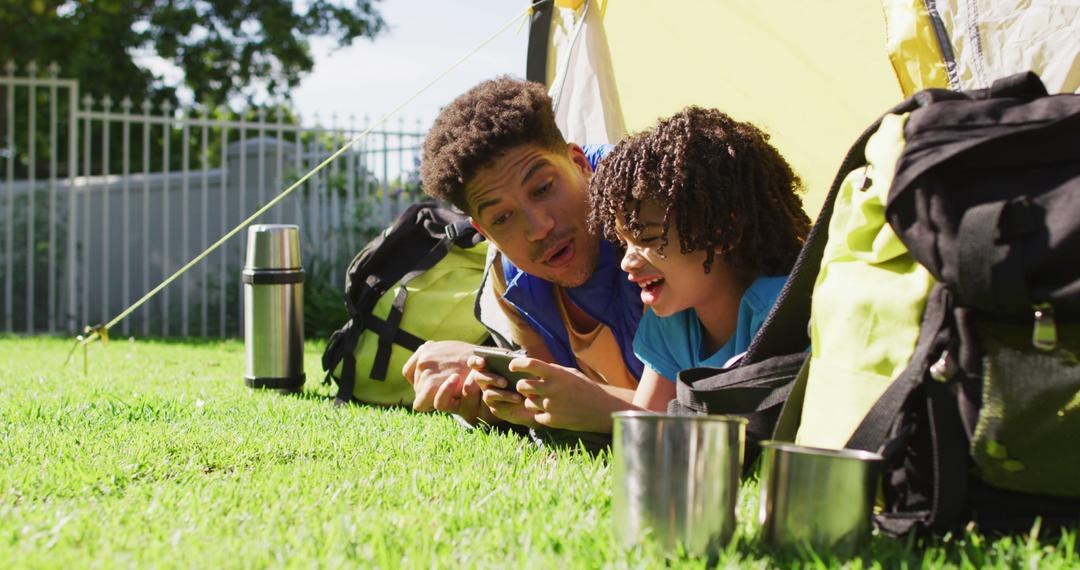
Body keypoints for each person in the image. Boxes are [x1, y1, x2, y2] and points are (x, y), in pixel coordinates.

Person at [401, 76, 646, 430]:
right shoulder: (512, 280)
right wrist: (494, 394)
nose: (539, 227)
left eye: (543, 188)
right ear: (484, 233)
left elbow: (720, 411)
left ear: (579, 163)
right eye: (502, 218)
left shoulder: (650, 216)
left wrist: (601, 409)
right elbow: (557, 412)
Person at [582, 106, 811, 421]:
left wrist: (591, 408)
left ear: (721, 233)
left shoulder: (782, 311)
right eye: (624, 243)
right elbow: (650, 421)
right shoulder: (670, 324)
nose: (627, 262)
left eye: (647, 239)